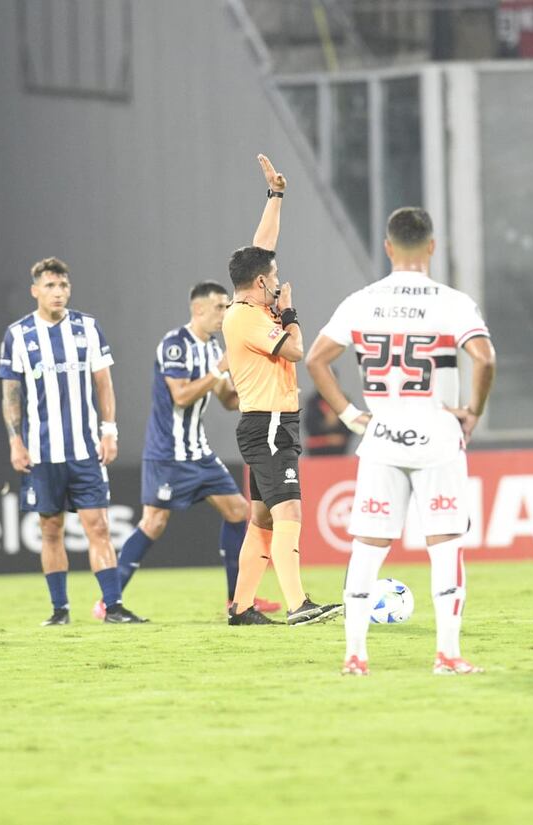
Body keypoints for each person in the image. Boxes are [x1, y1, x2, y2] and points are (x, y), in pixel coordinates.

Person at [306, 207, 496, 676]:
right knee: (445, 544)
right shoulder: (452, 303)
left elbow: (315, 360)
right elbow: (485, 359)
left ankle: (355, 655)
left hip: (382, 436)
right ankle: (447, 654)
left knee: (368, 547)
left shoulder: (361, 301)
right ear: (431, 246)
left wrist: (349, 414)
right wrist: (473, 411)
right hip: (437, 436)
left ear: (388, 248)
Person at [221, 153, 342, 627]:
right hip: (270, 423)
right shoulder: (249, 318)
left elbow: (262, 247)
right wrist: (290, 313)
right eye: (272, 280)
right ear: (258, 283)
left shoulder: (248, 304)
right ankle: (297, 604)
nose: (277, 283)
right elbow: (295, 351)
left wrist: (275, 196)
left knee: (264, 518)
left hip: (268, 421)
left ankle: (242, 607)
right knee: (288, 508)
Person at [114, 281, 281, 614]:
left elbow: (228, 400)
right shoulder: (175, 344)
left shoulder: (213, 348)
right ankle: (109, 600)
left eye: (227, 306)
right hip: (167, 453)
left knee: (238, 511)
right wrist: (219, 368)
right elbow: (181, 396)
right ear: (198, 309)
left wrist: (261, 383)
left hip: (198, 453)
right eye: (219, 307)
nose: (225, 313)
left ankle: (237, 599)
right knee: (153, 523)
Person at [0, 257, 146, 625]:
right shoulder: (18, 335)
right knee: (51, 530)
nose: (58, 292)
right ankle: (59, 610)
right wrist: (16, 442)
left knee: (99, 526)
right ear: (35, 290)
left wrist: (109, 430)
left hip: (85, 450)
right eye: (50, 286)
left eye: (63, 285)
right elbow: (11, 394)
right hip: (42, 452)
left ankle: (113, 607)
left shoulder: (88, 328)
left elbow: (103, 383)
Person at [304, 390, 353, 455]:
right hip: (317, 451)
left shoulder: (342, 399)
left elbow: (351, 425)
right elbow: (309, 426)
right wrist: (325, 425)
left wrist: (337, 424)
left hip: (339, 451)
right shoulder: (313, 402)